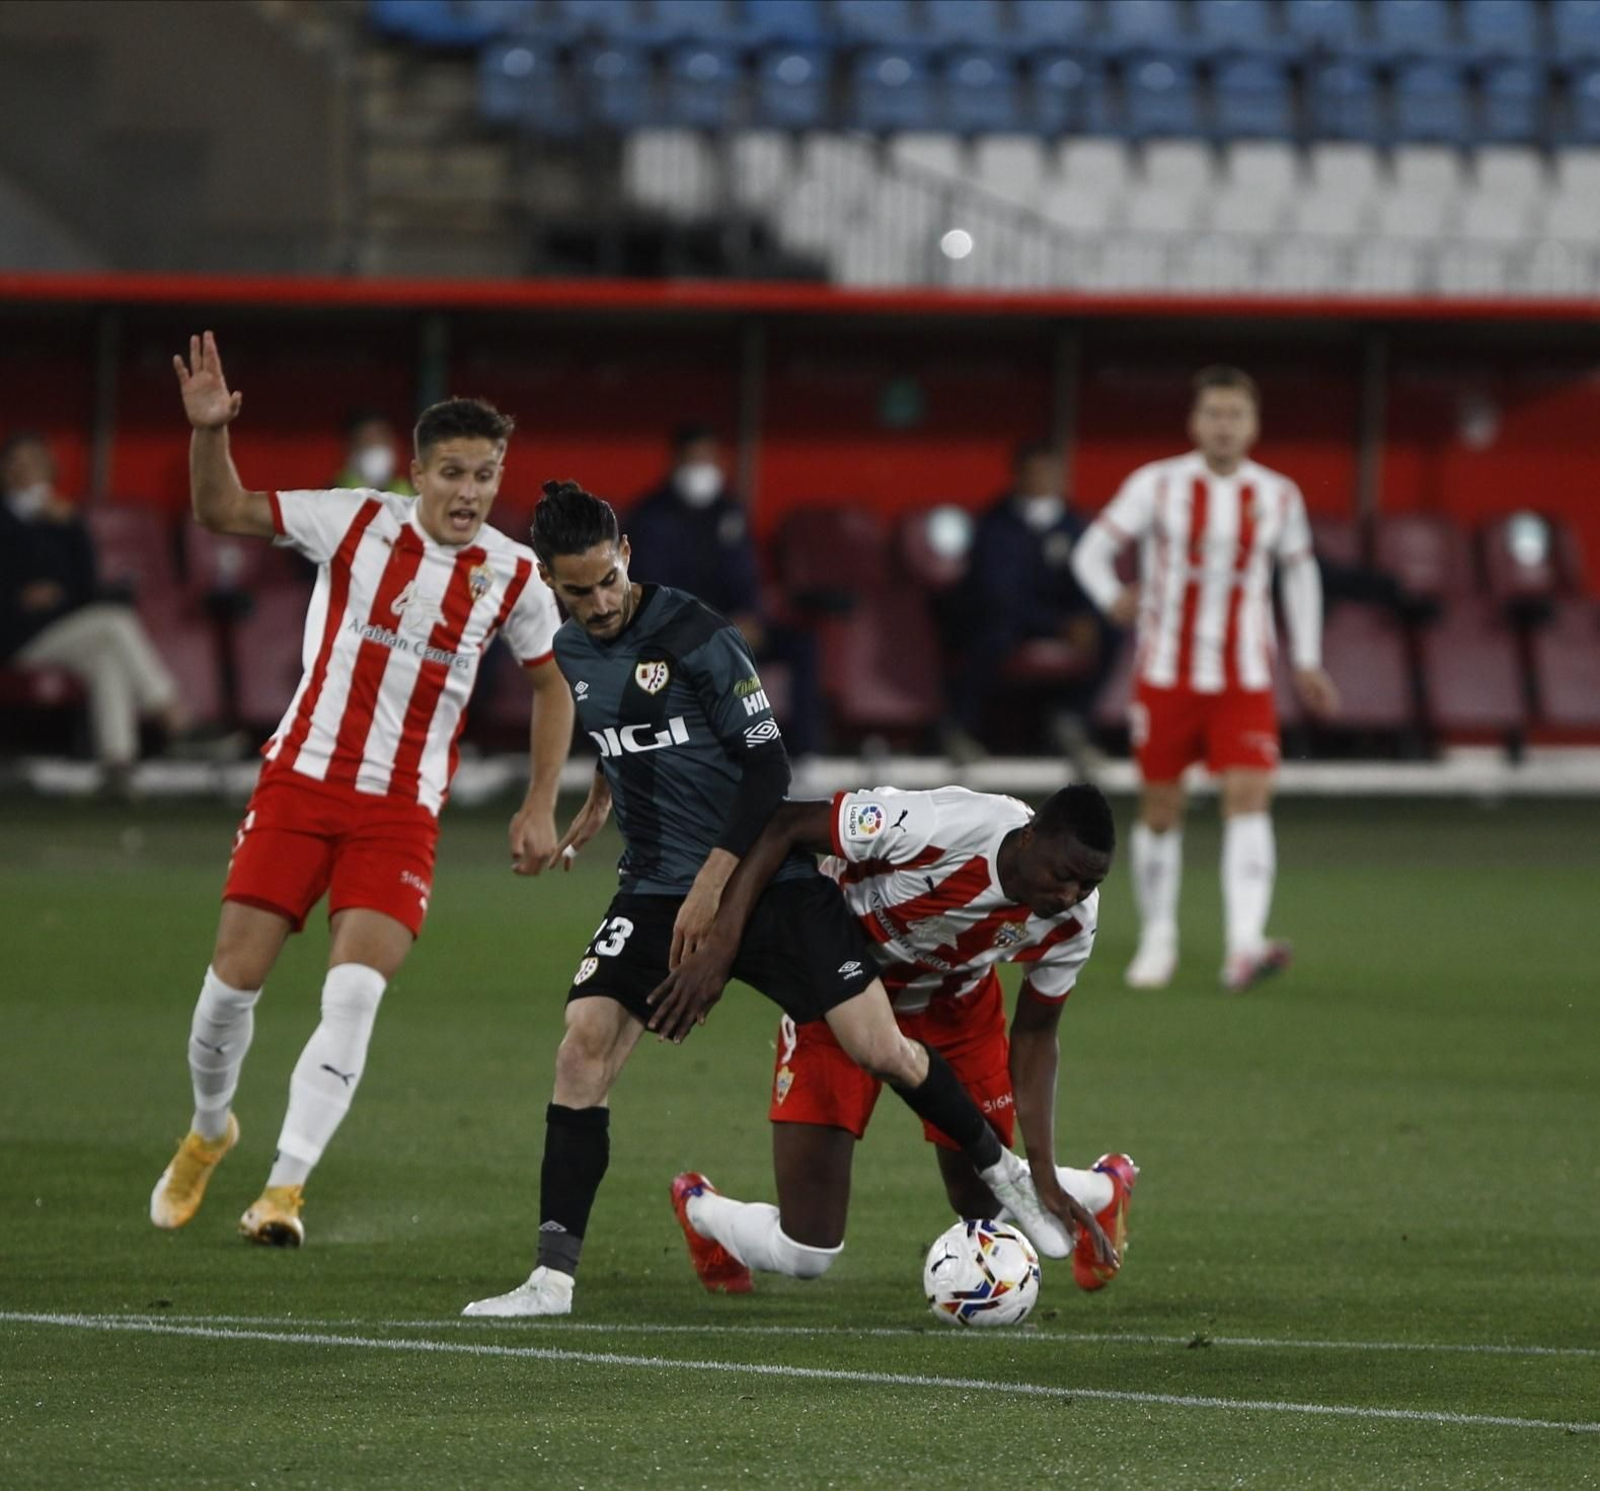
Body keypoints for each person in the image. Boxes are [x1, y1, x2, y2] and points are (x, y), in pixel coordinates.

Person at [460, 482, 1112, 1319]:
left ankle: (1004, 1175)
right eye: (576, 589)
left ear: (626, 554)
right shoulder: (574, 647)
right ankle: (550, 1279)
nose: (598, 603)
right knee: (582, 1046)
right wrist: (601, 793)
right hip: (654, 882)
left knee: (882, 1046)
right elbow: (625, 725)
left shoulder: (698, 635)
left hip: (764, 879)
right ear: (551, 581)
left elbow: (769, 773)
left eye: (607, 581)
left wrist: (714, 889)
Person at [149, 331, 573, 1246]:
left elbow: (552, 683)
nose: (470, 492)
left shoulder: (514, 574)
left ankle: (282, 1193)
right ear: (415, 473)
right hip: (299, 784)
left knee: (354, 995)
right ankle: (211, 1128)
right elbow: (219, 508)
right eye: (453, 472)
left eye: (486, 474)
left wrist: (540, 800)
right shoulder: (352, 520)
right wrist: (209, 431)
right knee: (233, 983)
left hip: (400, 811)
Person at [651, 782, 1137, 1297]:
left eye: (1087, 885)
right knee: (808, 1250)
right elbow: (785, 822)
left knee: (983, 1200)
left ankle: (1105, 1188)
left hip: (957, 1013)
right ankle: (701, 1211)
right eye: (1063, 876)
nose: (1070, 896)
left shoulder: (1074, 921)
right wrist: (720, 947)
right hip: (839, 993)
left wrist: (1040, 1164)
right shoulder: (936, 825)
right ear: (1028, 836)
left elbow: (1037, 1034)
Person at [1070, 365, 1340, 992]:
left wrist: (1306, 658)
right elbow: (1092, 550)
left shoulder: (1277, 494)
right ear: (1195, 422)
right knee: (1162, 809)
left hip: (1245, 677)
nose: (1224, 425)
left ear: (1254, 424)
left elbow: (1300, 574)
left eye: (1236, 415)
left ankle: (1243, 945)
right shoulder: (1157, 484)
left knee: (1249, 797)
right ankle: (1158, 939)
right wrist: (1111, 596)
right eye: (1214, 413)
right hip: (1166, 675)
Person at [0, 431, 200, 784]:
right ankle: (172, 715)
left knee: (107, 656)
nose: (28, 472)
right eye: (19, 464)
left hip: (67, 630)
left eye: (36, 463)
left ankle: (118, 763)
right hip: (16, 634)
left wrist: (71, 526)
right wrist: (20, 596)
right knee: (115, 624)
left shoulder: (63, 520)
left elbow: (86, 586)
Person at [627, 423, 822, 758]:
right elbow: (649, 586)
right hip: (672, 630)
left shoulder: (730, 512)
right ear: (675, 462)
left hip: (730, 628)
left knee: (801, 645)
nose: (702, 468)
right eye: (693, 460)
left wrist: (750, 617)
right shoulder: (650, 516)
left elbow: (745, 577)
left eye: (708, 459)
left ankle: (802, 754)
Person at [946, 442, 1110, 766]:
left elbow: (1087, 577)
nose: (1043, 480)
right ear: (1018, 476)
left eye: (1050, 473)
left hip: (1057, 618)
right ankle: (960, 729)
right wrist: (1057, 624)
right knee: (993, 633)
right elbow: (998, 592)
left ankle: (1070, 720)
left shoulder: (1071, 524)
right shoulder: (996, 523)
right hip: (1007, 618)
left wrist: (1084, 617)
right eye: (1035, 473)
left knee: (1109, 630)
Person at [334, 410, 414, 495]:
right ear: (351, 447)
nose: (375, 445)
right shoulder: (332, 495)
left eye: (381, 439)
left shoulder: (411, 494)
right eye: (367, 440)